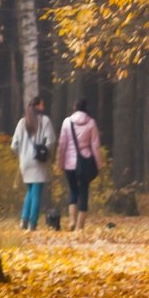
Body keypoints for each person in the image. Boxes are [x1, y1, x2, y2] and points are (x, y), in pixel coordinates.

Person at [57, 97, 103, 231]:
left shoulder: (67, 122)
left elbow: (62, 145)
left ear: (74, 108)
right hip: (85, 162)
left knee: (73, 191)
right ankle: (79, 226)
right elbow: (95, 146)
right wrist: (99, 164)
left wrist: (60, 163)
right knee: (84, 191)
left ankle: (72, 220)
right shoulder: (91, 123)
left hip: (69, 163)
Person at [11, 96, 56, 231]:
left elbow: (14, 145)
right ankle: (32, 223)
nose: (44, 107)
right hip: (39, 161)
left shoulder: (21, 122)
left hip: (24, 162)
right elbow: (51, 141)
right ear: (37, 106)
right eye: (42, 104)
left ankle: (24, 219)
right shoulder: (45, 121)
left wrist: (21, 156)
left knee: (30, 191)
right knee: (36, 192)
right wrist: (47, 153)